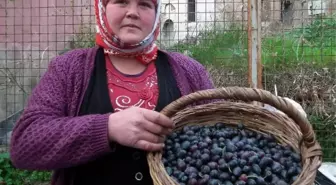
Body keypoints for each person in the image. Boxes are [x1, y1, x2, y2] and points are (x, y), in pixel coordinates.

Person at [9, 0, 307, 184]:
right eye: (121, 1)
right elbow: (24, 146)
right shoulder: (69, 69)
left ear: (156, 12)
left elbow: (224, 133)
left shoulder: (189, 70)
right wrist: (108, 127)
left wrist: (268, 116)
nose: (132, 13)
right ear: (102, 7)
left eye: (145, 4)